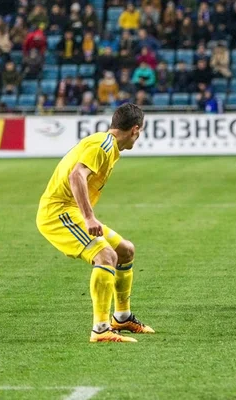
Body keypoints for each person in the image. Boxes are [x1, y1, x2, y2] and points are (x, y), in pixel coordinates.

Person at [36, 104, 155, 343]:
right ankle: (100, 330)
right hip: (58, 213)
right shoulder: (103, 145)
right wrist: (89, 217)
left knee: (125, 250)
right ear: (135, 130)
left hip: (72, 211)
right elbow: (76, 175)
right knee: (106, 256)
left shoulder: (107, 146)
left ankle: (122, 317)